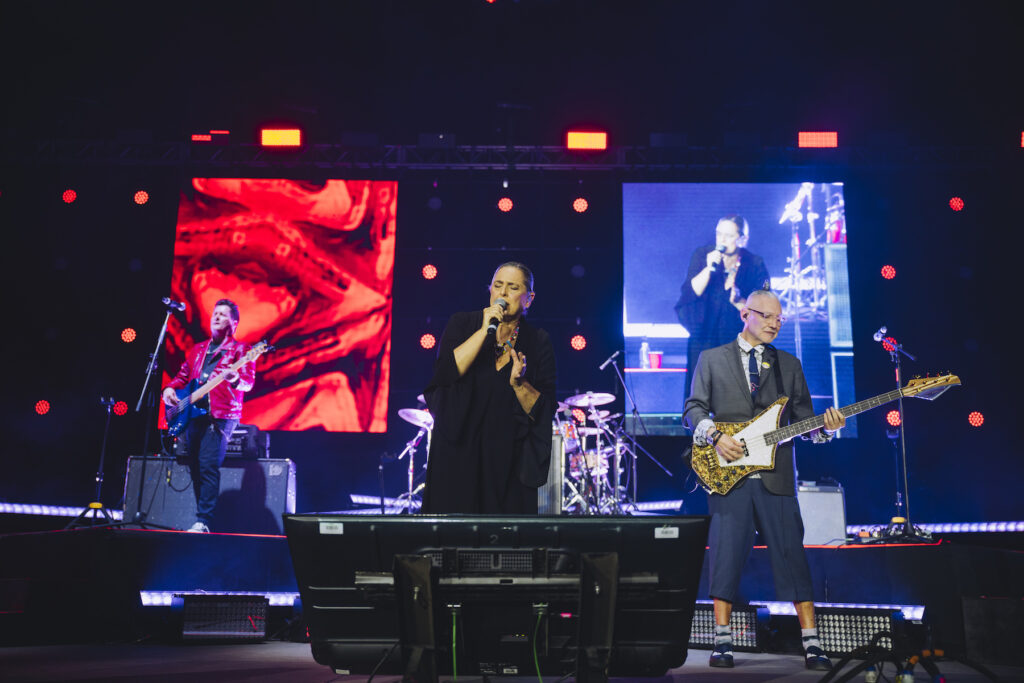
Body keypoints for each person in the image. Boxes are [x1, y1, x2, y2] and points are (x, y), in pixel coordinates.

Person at [682, 289, 845, 671]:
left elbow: (807, 424)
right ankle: (722, 643)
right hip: (729, 474)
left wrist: (827, 430)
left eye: (779, 319)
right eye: (768, 316)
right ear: (745, 314)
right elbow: (693, 409)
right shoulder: (711, 359)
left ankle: (812, 643)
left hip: (777, 474)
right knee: (724, 554)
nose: (775, 323)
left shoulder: (788, 364)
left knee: (792, 555)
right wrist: (716, 437)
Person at [421, 262, 556, 514]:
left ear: (529, 299)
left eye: (513, 287)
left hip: (508, 462)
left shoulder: (538, 341)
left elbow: (544, 409)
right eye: (498, 285)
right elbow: (445, 374)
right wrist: (484, 331)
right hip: (458, 453)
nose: (503, 293)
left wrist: (520, 383)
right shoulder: (462, 324)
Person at [162, 299, 256, 533]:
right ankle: (202, 517)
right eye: (215, 313)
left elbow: (247, 382)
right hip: (194, 415)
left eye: (223, 315)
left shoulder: (241, 350)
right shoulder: (198, 350)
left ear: (234, 323)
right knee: (193, 465)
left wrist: (235, 379)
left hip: (221, 415)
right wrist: (169, 389)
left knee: (208, 465)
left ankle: (204, 520)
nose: (216, 317)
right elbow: (182, 376)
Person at [675, 215, 769, 402]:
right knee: (699, 399)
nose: (722, 240)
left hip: (737, 342)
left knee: (736, 400)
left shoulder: (754, 264)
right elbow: (690, 292)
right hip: (704, 337)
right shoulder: (703, 255)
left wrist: (739, 301)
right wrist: (709, 268)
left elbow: (764, 312)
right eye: (719, 234)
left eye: (728, 235)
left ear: (742, 239)